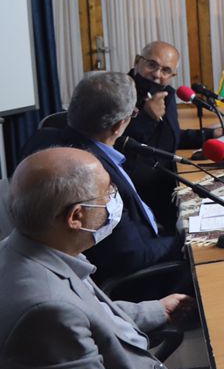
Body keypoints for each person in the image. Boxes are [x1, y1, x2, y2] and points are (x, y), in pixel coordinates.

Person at [0, 147, 197, 369]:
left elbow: (89, 315)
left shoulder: (31, 249)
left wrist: (157, 310)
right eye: (108, 193)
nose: (113, 200)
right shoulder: (45, 309)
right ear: (76, 216)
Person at [21, 72, 185, 284]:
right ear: (118, 126)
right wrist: (186, 240)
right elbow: (132, 255)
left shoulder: (44, 139)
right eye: (134, 114)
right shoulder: (94, 176)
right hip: (139, 279)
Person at [123, 40, 221, 232]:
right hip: (138, 193)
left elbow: (168, 137)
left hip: (168, 180)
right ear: (137, 61)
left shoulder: (166, 93)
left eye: (166, 70)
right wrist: (146, 117)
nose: (157, 74)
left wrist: (208, 134)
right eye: (152, 65)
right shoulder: (118, 92)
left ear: (172, 75)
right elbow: (117, 144)